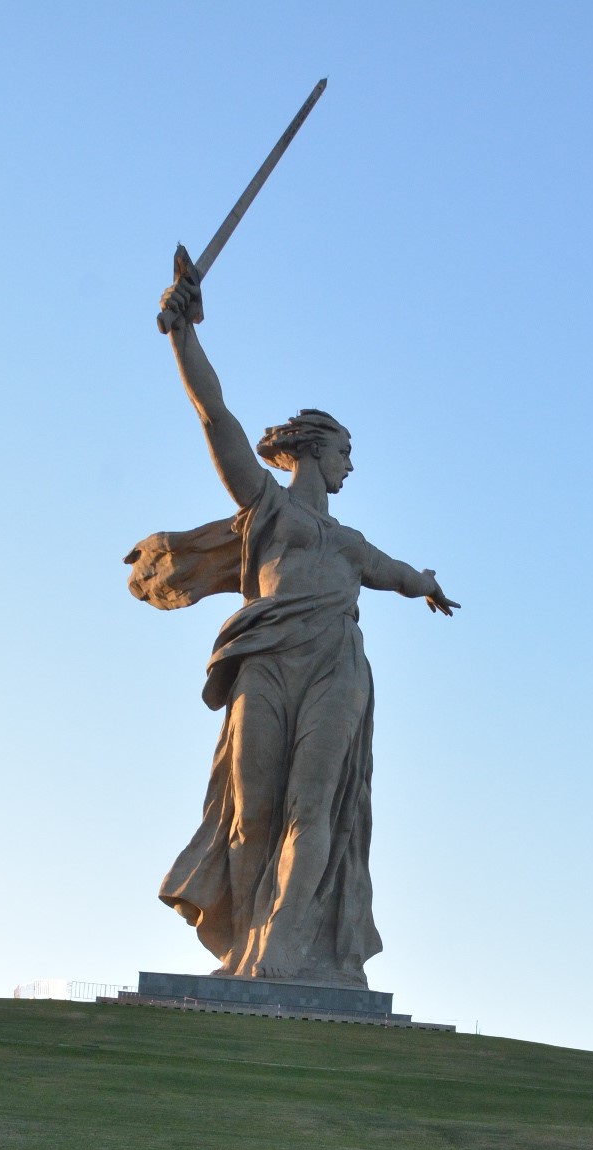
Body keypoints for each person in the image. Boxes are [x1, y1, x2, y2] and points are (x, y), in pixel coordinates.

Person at [138, 261, 456, 985]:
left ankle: (284, 946)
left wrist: (428, 585)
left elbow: (400, 576)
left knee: (314, 806)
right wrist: (183, 335)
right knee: (254, 812)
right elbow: (217, 418)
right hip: (267, 660)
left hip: (334, 667)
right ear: (314, 451)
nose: (351, 466)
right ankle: (246, 943)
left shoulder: (350, 545)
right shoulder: (267, 509)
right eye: (345, 452)